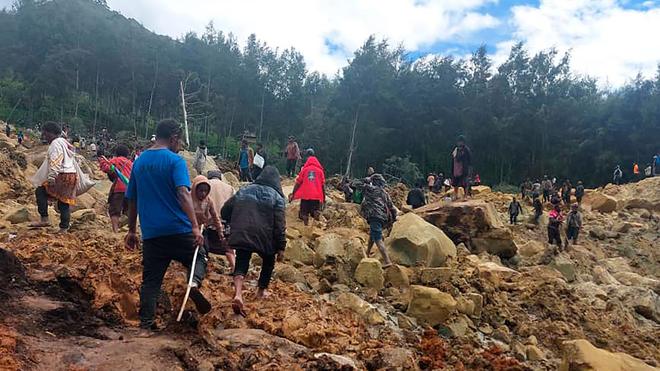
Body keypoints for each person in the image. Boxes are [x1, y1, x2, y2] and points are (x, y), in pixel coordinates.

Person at [124, 119, 211, 331]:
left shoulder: (140, 162)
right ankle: (193, 284)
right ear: (173, 138)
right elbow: (183, 193)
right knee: (199, 255)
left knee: (151, 281)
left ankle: (147, 324)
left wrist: (132, 230)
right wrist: (193, 226)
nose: (179, 146)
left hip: (152, 233)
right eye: (179, 141)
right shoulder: (175, 161)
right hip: (179, 229)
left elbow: (132, 199)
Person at [221, 166, 286, 317]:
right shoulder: (277, 197)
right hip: (265, 237)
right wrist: (281, 247)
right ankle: (261, 291)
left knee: (242, 261)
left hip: (243, 232)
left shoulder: (244, 190)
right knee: (268, 262)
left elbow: (225, 210)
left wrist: (232, 223)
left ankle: (238, 293)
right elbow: (280, 224)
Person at [30, 122, 77, 232]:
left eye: (46, 134)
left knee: (40, 191)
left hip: (61, 175)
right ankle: (64, 228)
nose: (44, 137)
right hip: (71, 175)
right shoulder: (65, 142)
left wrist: (52, 177)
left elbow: (57, 159)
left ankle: (44, 219)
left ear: (51, 133)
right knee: (63, 202)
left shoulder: (55, 144)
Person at [191, 175, 235, 273]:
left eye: (205, 191)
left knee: (204, 248)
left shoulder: (203, 190)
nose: (203, 193)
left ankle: (201, 269)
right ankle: (234, 268)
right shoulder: (229, 188)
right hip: (221, 223)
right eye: (201, 191)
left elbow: (213, 215)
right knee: (228, 249)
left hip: (206, 226)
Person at [354, 174, 396, 267]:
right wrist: (393, 219)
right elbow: (392, 208)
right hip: (382, 218)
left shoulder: (370, 189)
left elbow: (355, 183)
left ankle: (387, 261)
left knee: (378, 239)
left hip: (374, 216)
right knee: (372, 235)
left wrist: (366, 179)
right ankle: (367, 253)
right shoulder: (385, 193)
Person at [99, 144, 133, 233]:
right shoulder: (130, 163)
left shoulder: (116, 160)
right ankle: (127, 229)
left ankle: (115, 230)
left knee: (115, 210)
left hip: (119, 188)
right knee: (128, 210)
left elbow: (106, 168)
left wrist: (102, 161)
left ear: (116, 153)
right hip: (130, 188)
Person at [290, 149, 326, 226]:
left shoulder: (304, 170)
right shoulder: (320, 171)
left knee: (303, 213)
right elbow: (323, 185)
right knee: (315, 211)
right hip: (316, 196)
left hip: (305, 195)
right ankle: (315, 228)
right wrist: (324, 197)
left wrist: (293, 193)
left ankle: (306, 227)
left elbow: (298, 183)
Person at [450, 135, 472, 201]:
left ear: (463, 142)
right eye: (459, 142)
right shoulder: (456, 149)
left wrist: (469, 168)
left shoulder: (466, 150)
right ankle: (456, 195)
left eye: (461, 142)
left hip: (464, 168)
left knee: (465, 183)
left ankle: (466, 195)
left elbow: (470, 159)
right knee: (455, 183)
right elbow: (453, 158)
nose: (459, 143)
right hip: (456, 169)